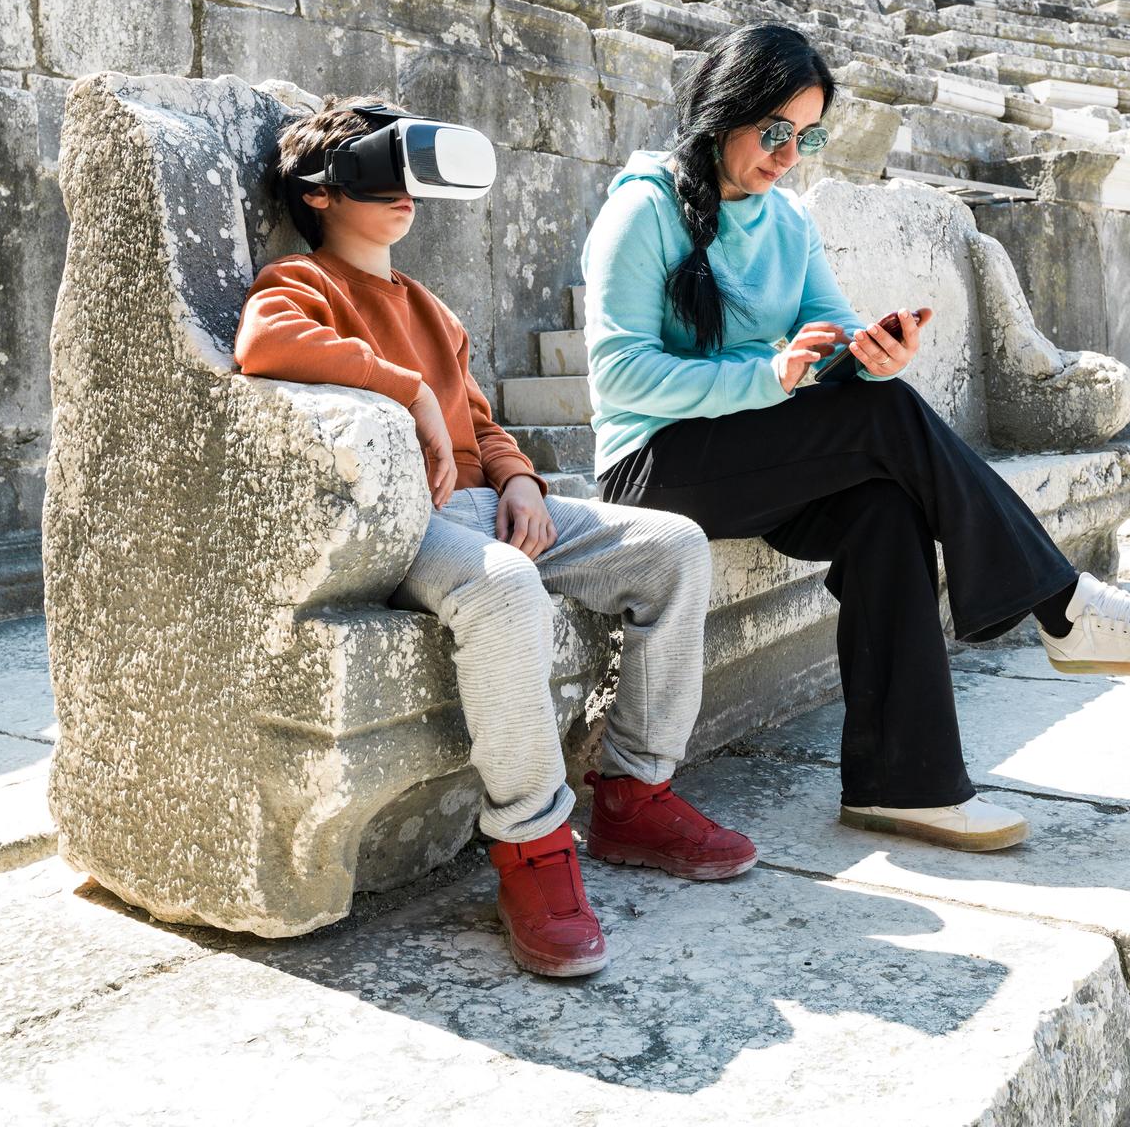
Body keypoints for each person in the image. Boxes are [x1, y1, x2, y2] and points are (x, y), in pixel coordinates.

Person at [580, 24, 1130, 852]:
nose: (788, 155)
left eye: (807, 137)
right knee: (883, 425)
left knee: (884, 507)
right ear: (721, 112)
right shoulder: (642, 211)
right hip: (655, 468)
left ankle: (906, 785)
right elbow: (623, 377)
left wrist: (877, 357)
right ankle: (1062, 606)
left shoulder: (785, 222)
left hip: (757, 458)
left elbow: (836, 330)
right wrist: (769, 377)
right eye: (774, 131)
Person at [234, 95, 757, 978]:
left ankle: (635, 792)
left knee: (673, 546)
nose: (404, 192)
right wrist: (404, 392)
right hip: (408, 523)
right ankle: (531, 846)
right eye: (378, 173)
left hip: (487, 508)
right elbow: (264, 344)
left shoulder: (433, 310)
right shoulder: (301, 284)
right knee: (505, 584)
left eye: (411, 174)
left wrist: (518, 479)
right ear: (322, 193)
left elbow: (480, 422)